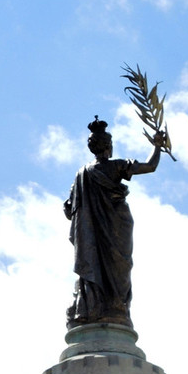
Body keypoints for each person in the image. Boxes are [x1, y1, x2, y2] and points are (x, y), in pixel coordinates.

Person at [64, 117, 165, 328]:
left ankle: (93, 307)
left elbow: (68, 208)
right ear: (109, 146)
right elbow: (150, 166)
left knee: (94, 264)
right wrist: (157, 146)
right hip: (117, 225)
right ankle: (115, 308)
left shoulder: (81, 174)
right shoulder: (117, 166)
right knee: (120, 267)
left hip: (90, 233)